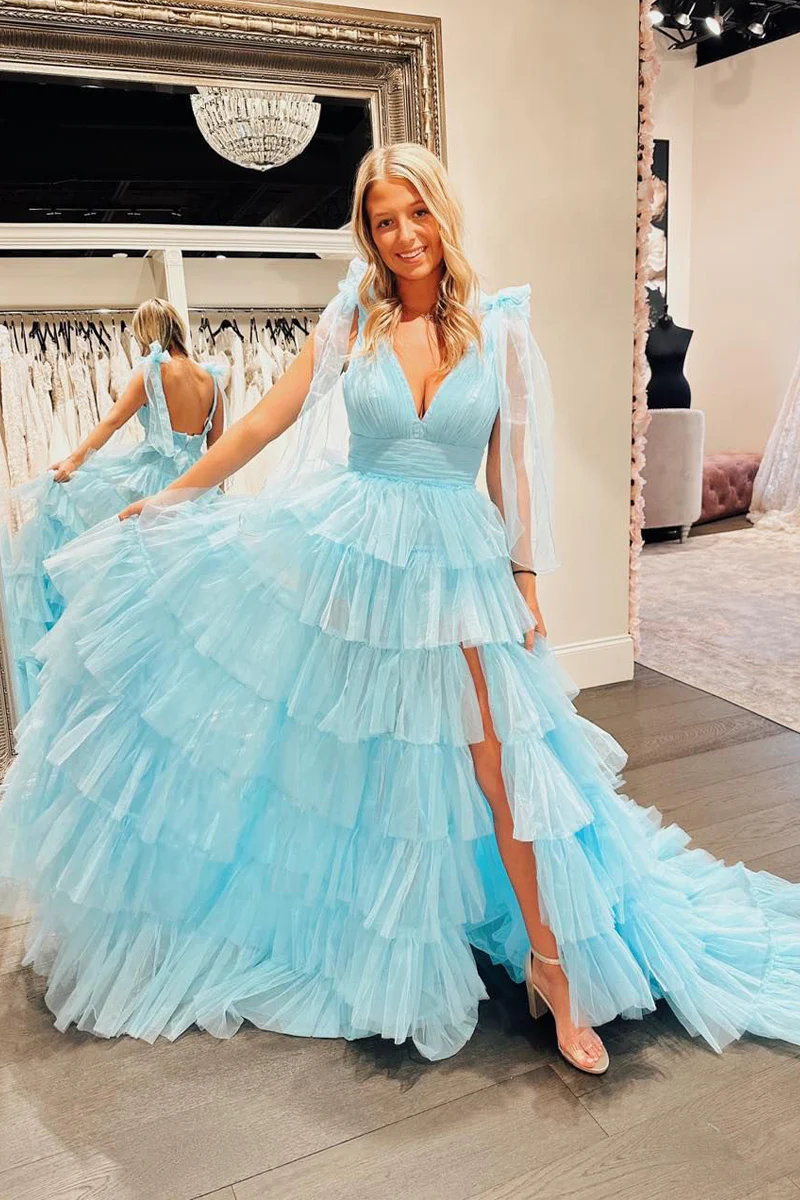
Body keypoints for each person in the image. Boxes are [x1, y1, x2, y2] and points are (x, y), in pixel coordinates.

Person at [2, 143, 800, 1077]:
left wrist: (527, 584)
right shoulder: (354, 318)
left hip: (460, 563)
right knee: (370, 759)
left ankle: (553, 968)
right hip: (359, 555)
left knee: (502, 767)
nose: (404, 235)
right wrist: (174, 497)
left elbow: (513, 469)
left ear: (441, 213)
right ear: (369, 234)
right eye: (385, 221)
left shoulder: (499, 328)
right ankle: (380, 940)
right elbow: (264, 420)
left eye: (416, 213)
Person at [0, 299, 225, 711]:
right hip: (199, 491)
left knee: (134, 586)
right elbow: (219, 449)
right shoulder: (211, 379)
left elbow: (112, 421)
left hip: (153, 484)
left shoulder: (153, 371)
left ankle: (137, 687)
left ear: (148, 333)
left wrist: (73, 461)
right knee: (189, 594)